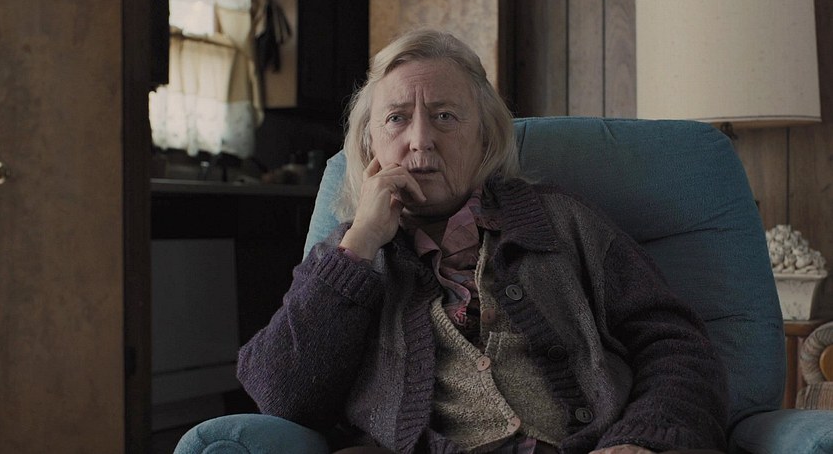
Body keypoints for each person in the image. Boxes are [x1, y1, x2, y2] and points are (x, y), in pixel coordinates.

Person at [235, 29, 728, 454]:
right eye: (396, 118)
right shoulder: (346, 259)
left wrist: (642, 438)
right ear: (370, 143)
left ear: (486, 137)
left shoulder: (564, 222)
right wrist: (361, 244)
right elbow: (282, 396)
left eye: (445, 116)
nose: (420, 140)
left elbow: (675, 344)